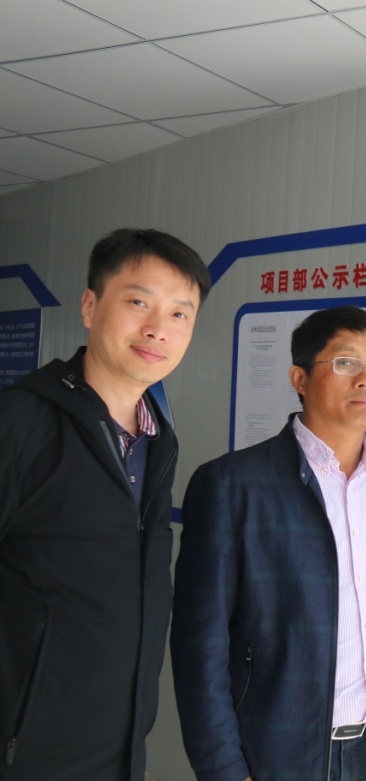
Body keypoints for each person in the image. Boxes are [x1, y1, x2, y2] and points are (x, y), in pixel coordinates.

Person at [171, 306, 366, 781]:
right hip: (278, 752)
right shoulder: (233, 485)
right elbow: (200, 645)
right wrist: (222, 766)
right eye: (346, 362)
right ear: (299, 378)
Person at [0, 228, 210, 781]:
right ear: (90, 307)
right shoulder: (20, 421)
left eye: (180, 314)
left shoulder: (157, 438)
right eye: (138, 302)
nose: (158, 329)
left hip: (118, 746)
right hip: (26, 752)